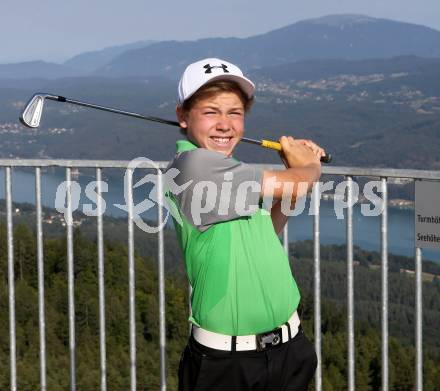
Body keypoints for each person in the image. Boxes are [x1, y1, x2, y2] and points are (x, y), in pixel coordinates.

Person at [165, 58, 325, 391]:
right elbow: (300, 181)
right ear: (183, 116)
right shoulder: (191, 168)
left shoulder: (229, 168)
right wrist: (308, 167)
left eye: (234, 113)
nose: (225, 124)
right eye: (210, 112)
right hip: (228, 365)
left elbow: (267, 231)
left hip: (288, 349)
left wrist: (293, 172)